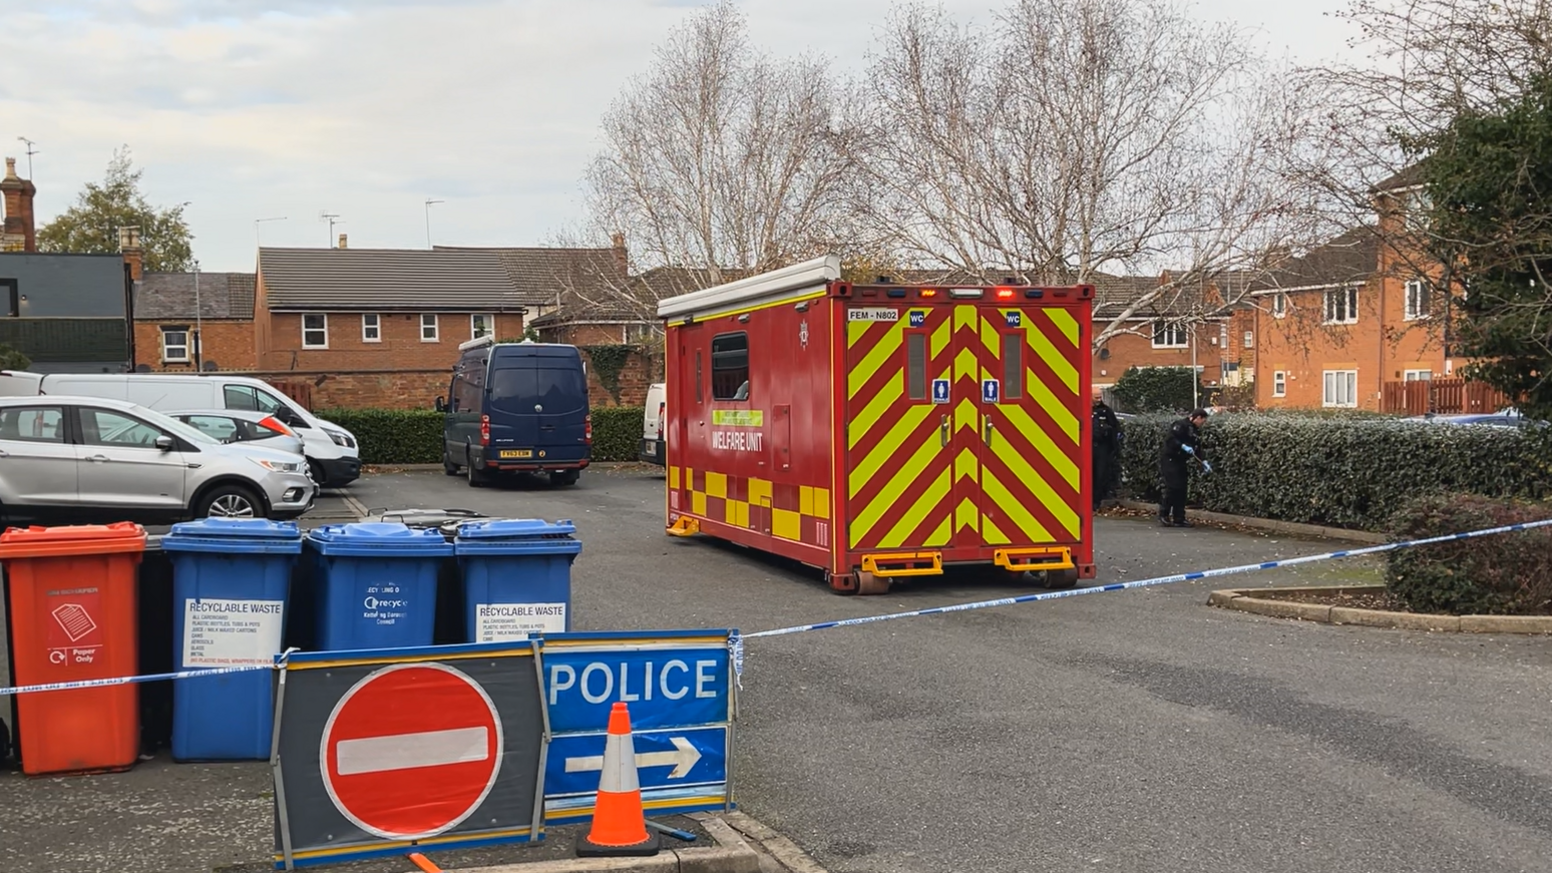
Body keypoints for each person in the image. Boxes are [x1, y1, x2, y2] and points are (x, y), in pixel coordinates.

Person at [1158, 408, 1208, 527]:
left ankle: (1179, 517)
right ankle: (1164, 514)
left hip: (1181, 461)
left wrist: (1203, 460)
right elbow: (1170, 439)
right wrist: (1182, 446)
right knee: (1173, 487)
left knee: (1182, 489)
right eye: (1203, 421)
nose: (1203, 423)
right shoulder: (1180, 425)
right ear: (1197, 418)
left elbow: (1198, 447)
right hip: (1170, 459)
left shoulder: (1195, 431)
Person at [1091, 396, 1122, 511]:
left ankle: (1096, 501)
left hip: (1102, 448)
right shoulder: (1083, 408)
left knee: (1100, 474)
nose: (1099, 399)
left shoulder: (1106, 411)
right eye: (1096, 397)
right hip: (1087, 446)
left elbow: (1116, 427)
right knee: (1088, 475)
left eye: (1100, 397)